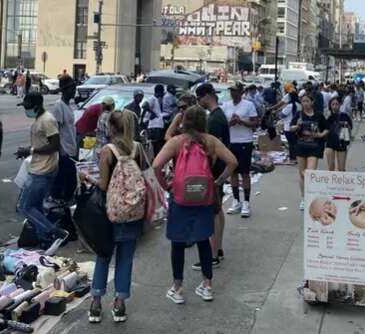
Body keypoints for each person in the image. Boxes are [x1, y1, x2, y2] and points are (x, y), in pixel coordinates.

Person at [153, 106, 238, 305]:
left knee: (178, 242)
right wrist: (217, 181)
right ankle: (207, 286)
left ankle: (178, 288)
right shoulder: (211, 141)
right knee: (203, 240)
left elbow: (156, 165)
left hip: (181, 197)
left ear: (185, 121)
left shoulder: (176, 142)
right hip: (204, 197)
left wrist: (167, 186)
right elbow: (232, 162)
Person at [80, 110, 145, 323]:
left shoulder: (108, 151)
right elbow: (143, 178)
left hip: (111, 213)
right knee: (125, 259)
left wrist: (86, 177)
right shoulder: (138, 148)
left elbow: (104, 185)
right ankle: (119, 304)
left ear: (111, 128)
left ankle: (96, 304)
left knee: (103, 256)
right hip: (134, 213)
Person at [15, 92, 70, 250]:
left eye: (28, 107)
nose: (26, 110)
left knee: (24, 206)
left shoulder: (47, 120)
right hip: (40, 167)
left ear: (37, 106)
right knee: (36, 207)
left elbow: (54, 145)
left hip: (42, 171)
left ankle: (55, 232)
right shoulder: (40, 119)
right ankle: (45, 239)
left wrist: (30, 151)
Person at [194, 83, 231, 269]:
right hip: (218, 172)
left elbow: (215, 150)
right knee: (217, 210)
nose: (199, 103)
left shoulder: (215, 120)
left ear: (207, 96)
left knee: (213, 213)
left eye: (199, 98)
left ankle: (213, 253)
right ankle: (218, 249)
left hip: (214, 172)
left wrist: (207, 170)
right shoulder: (218, 116)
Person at [222, 83, 259, 218]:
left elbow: (256, 123)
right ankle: (236, 200)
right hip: (230, 142)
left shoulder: (248, 105)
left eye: (235, 91)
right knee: (232, 172)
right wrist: (231, 123)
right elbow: (222, 125)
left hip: (245, 142)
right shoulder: (225, 105)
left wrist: (241, 121)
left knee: (244, 173)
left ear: (241, 92)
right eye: (231, 91)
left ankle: (246, 202)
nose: (232, 93)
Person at [50, 76, 79, 213]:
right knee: (65, 181)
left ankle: (66, 204)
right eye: (72, 88)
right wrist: (61, 151)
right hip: (64, 152)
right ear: (65, 90)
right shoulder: (58, 107)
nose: (74, 91)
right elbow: (55, 131)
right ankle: (58, 205)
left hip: (71, 149)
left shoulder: (69, 106)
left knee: (71, 181)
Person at [291, 93, 325, 209]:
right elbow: (291, 127)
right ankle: (304, 198)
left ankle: (310, 196)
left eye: (307, 101)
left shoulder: (319, 115)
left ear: (312, 102)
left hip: (314, 147)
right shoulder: (299, 114)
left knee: (310, 173)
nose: (305, 103)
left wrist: (320, 135)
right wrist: (297, 126)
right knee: (302, 174)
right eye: (303, 101)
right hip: (301, 146)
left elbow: (326, 128)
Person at [323, 96, 353, 172]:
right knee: (331, 167)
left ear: (340, 105)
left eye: (336, 104)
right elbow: (323, 127)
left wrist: (346, 125)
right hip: (330, 142)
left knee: (341, 168)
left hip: (341, 142)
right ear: (330, 106)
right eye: (333, 104)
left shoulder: (344, 116)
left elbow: (350, 129)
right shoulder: (328, 116)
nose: (335, 106)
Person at [279, 89, 301, 166]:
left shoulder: (289, 106)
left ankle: (293, 158)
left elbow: (281, 115)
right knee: (295, 142)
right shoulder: (299, 105)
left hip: (288, 127)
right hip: (297, 127)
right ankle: (297, 157)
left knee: (291, 143)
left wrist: (281, 109)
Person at [148, 85, 167, 156]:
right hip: (154, 126)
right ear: (159, 92)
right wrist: (153, 113)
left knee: (158, 145)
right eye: (162, 93)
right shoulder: (152, 99)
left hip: (158, 125)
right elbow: (145, 106)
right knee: (156, 145)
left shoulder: (157, 99)